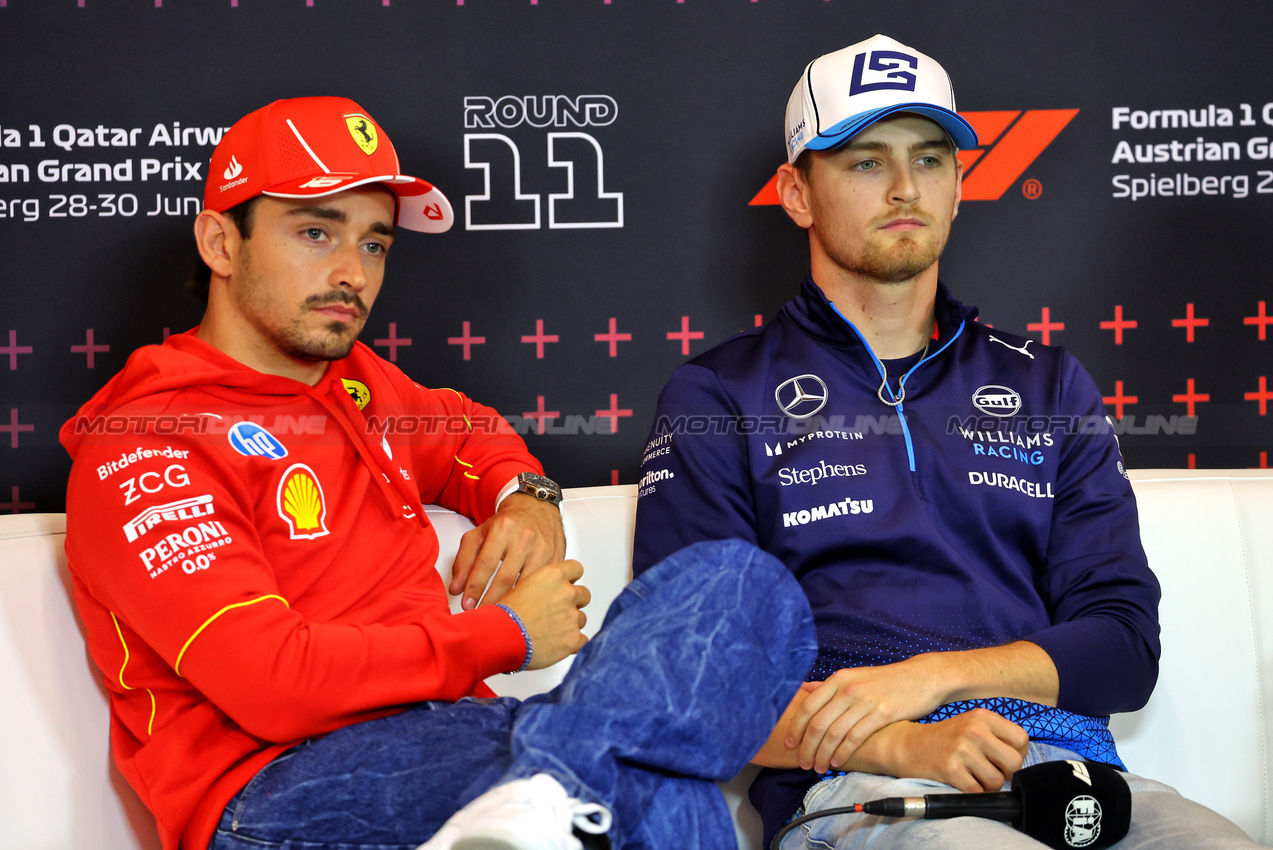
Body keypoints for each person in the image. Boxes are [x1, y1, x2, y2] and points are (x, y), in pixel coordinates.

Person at [59, 96, 817, 850]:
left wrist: (528, 499)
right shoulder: (145, 444)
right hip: (275, 784)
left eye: (375, 244)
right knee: (647, 784)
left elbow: (472, 432)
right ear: (221, 243)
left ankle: (542, 798)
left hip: (459, 736)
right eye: (316, 233)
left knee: (742, 581)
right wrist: (505, 635)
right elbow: (272, 684)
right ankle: (554, 788)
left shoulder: (357, 384)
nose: (350, 273)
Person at [631, 34, 1259, 849]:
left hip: (1072, 773)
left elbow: (1124, 645)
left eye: (929, 159)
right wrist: (900, 737)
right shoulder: (716, 395)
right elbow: (692, 683)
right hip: (861, 782)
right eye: (864, 162)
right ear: (794, 192)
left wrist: (935, 678)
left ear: (959, 185)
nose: (903, 188)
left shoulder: (1048, 384)